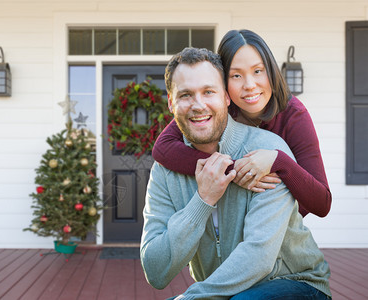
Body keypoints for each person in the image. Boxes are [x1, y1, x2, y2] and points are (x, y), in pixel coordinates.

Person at [140, 47, 331, 299]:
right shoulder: (165, 170)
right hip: (221, 291)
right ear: (171, 103)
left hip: (294, 282)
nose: (198, 105)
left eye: (209, 91)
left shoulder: (267, 152)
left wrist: (189, 298)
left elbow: (258, 256)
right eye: (185, 95)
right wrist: (203, 200)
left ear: (226, 98)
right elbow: (155, 271)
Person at [152, 29, 331, 218]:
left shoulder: (293, 114)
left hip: (279, 225)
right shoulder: (216, 108)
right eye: (236, 75)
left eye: (258, 71)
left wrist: (278, 161)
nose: (250, 85)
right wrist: (237, 171)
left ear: (270, 70)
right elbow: (162, 148)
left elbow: (322, 203)